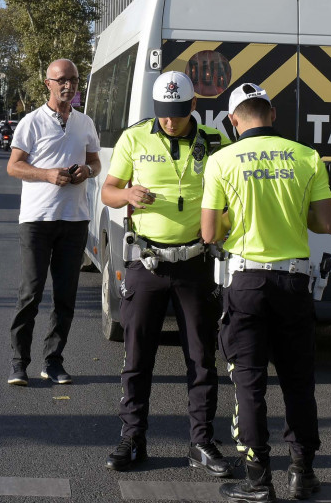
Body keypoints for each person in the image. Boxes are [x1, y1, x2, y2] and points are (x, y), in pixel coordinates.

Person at [201, 83, 331, 503]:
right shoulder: (306, 157)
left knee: (249, 381)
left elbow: (209, 232)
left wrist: (230, 222)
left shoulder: (221, 160)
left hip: (246, 283)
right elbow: (327, 224)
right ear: (273, 114)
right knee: (298, 381)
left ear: (233, 120)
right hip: (294, 282)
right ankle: (303, 474)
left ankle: (258, 480)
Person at [100, 71, 232, 476]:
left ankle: (202, 441)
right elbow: (107, 190)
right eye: (163, 114)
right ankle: (132, 437)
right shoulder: (135, 137)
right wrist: (126, 194)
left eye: (177, 113)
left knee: (201, 359)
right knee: (138, 357)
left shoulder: (214, 141)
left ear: (194, 106)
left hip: (196, 264)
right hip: (147, 263)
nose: (169, 121)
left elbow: (232, 193)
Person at [5, 58, 102, 387]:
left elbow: (95, 162)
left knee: (65, 296)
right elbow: (14, 166)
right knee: (30, 293)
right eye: (61, 80)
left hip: (74, 220)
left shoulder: (85, 122)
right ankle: (19, 363)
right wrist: (47, 174)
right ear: (47, 83)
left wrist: (86, 172)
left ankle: (53, 361)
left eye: (73, 80)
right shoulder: (31, 122)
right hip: (37, 220)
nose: (69, 86)